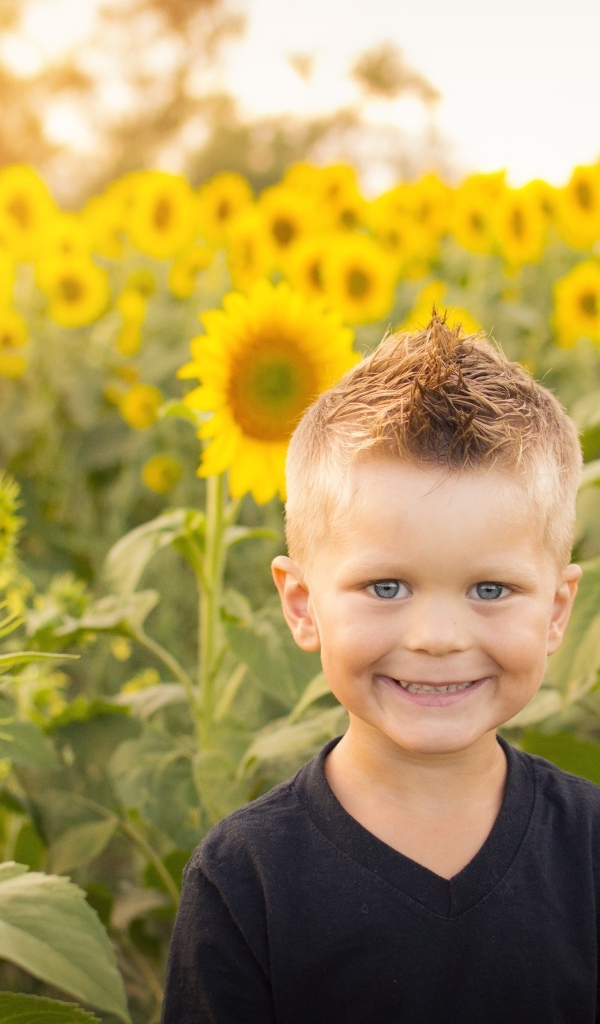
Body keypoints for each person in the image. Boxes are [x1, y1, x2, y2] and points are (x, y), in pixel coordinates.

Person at [161, 314, 600, 1024]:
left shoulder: (587, 854)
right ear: (302, 606)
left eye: (491, 590)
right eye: (386, 587)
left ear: (556, 611)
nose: (435, 638)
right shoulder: (247, 879)